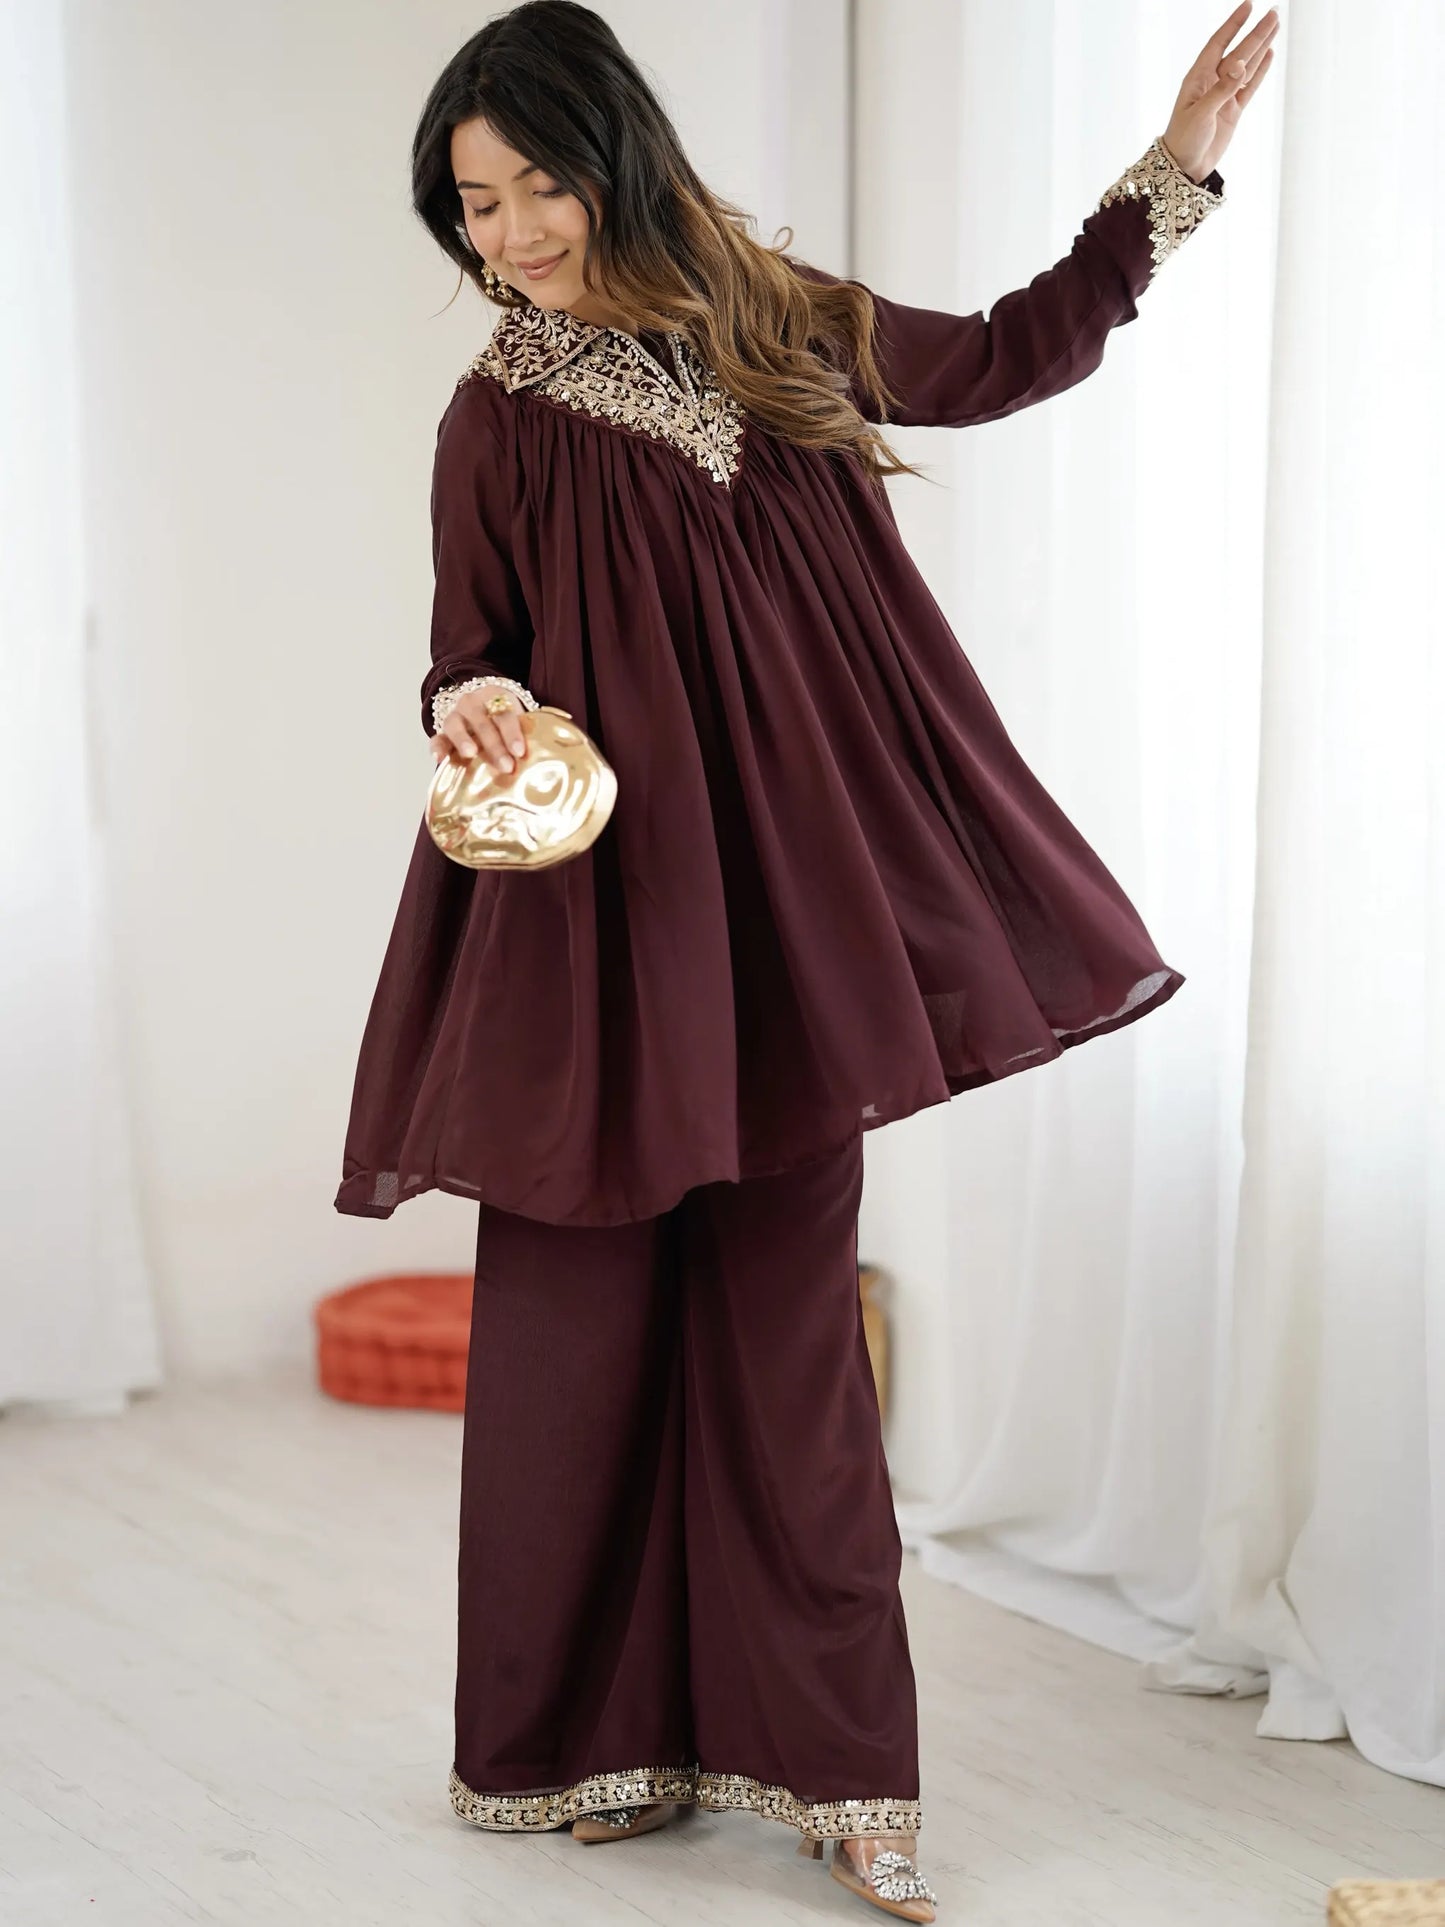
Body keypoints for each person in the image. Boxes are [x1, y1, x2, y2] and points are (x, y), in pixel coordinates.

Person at [333, 2, 1278, 1916]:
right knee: (578, 1330)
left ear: (616, 156)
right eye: (471, 205)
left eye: (532, 188)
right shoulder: (493, 416)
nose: (505, 233)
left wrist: (1172, 168)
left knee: (786, 1338)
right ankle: (581, 1742)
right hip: (590, 925)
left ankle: (843, 1777)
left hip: (776, 914)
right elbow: (465, 639)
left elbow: (1009, 355)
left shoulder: (772, 323)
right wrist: (479, 697)